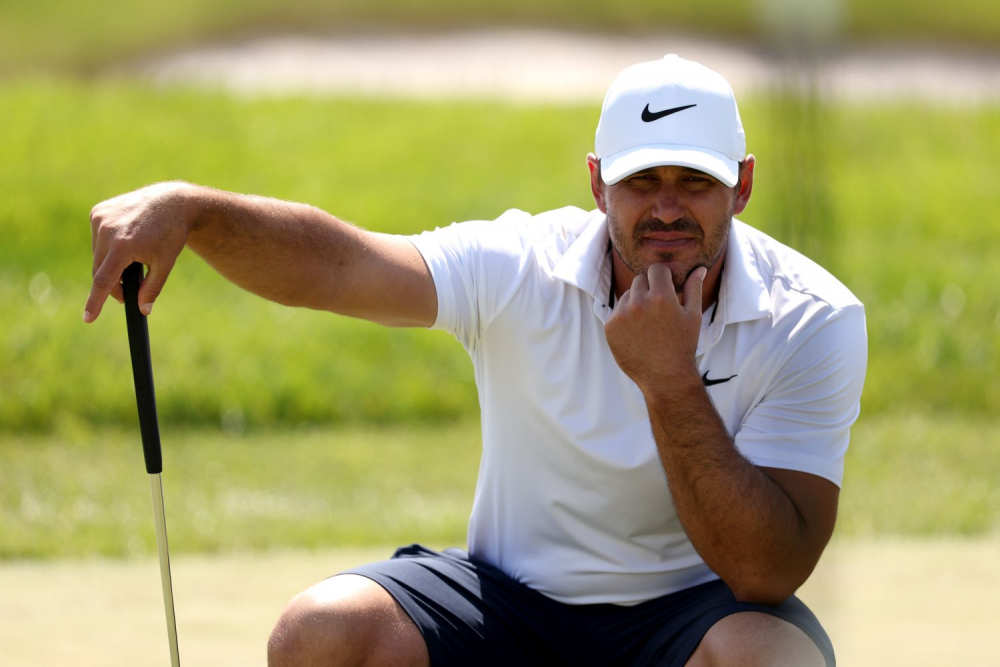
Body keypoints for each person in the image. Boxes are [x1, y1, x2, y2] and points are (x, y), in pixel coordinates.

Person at [86, 55, 866, 666]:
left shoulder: (813, 317)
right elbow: (341, 267)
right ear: (597, 184)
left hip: (696, 610)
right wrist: (194, 210)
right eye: (642, 181)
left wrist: (668, 378)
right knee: (319, 635)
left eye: (696, 180)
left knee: (773, 656)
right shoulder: (521, 263)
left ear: (744, 185)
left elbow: (769, 572)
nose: (666, 206)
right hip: (511, 602)